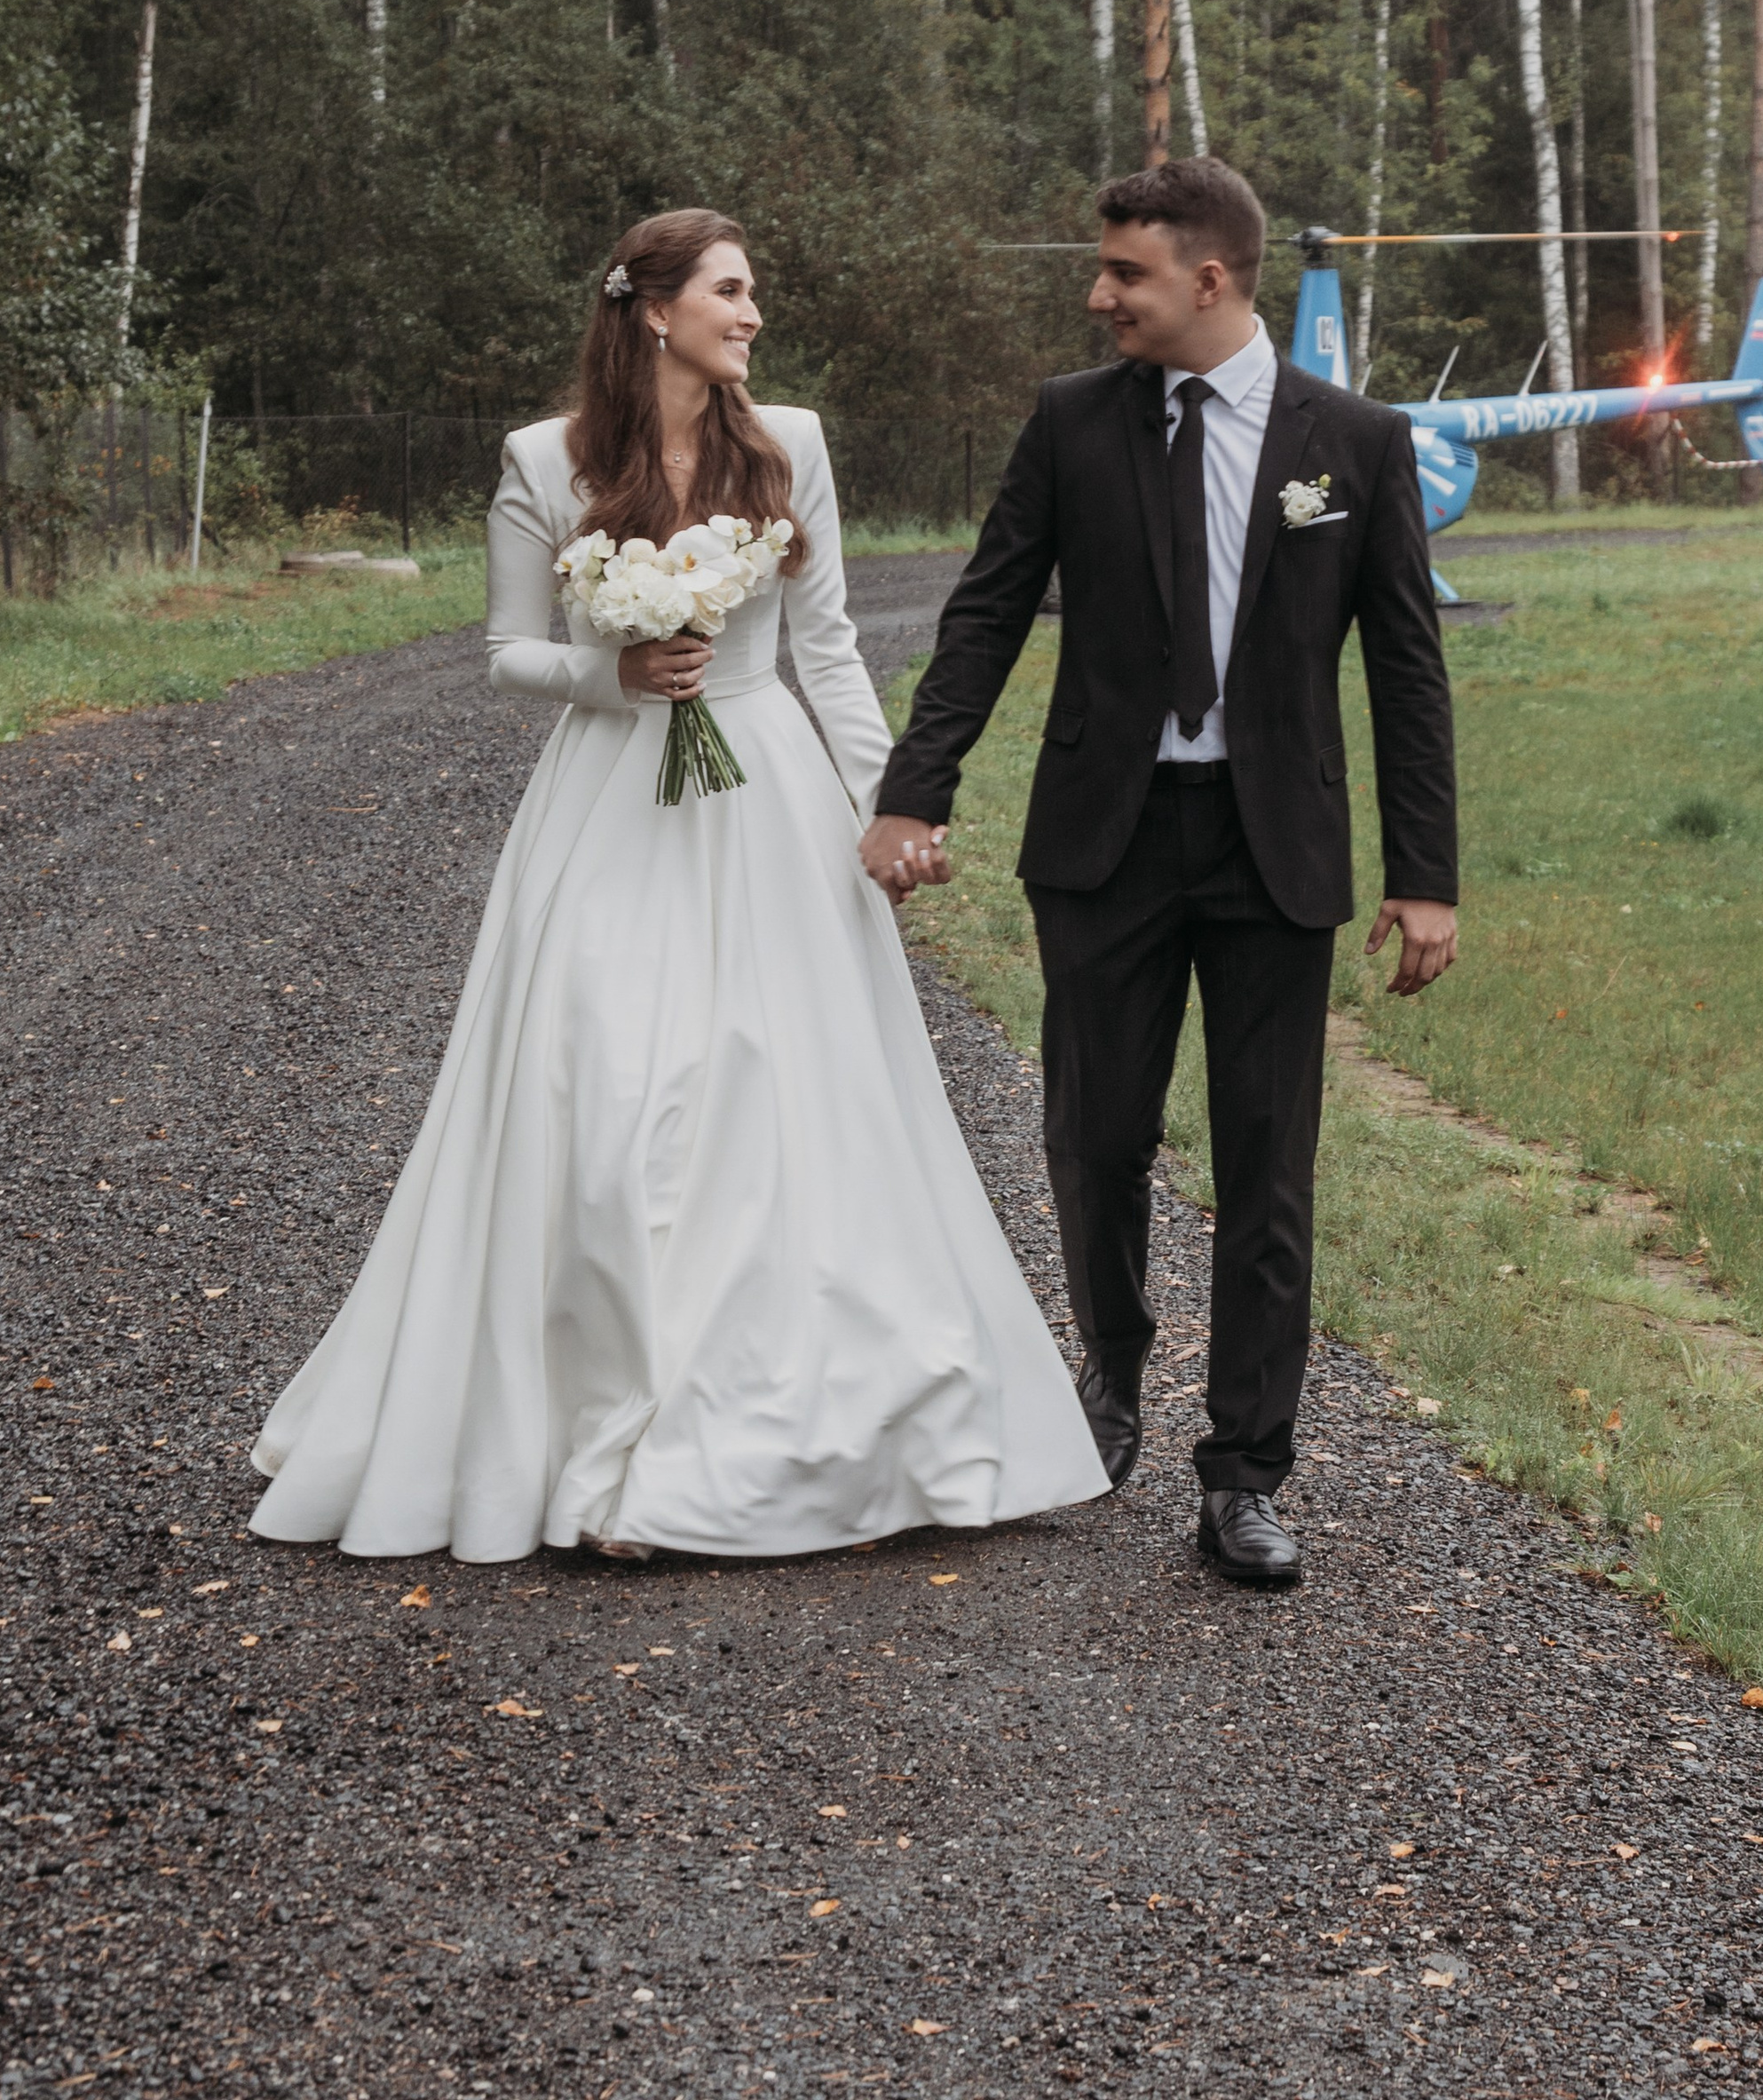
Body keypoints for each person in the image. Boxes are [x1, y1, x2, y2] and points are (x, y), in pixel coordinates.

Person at [249, 209, 1107, 1565]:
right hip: (608, 802)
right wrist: (618, 672)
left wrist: (893, 807)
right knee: (604, 1085)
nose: (753, 313)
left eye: (753, 291)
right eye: (731, 289)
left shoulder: (792, 445)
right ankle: (596, 1433)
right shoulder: (545, 461)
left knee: (783, 1093)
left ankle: (799, 1425)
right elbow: (507, 654)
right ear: (654, 308)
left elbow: (825, 651)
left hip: (763, 790)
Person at [861, 157, 1459, 1592]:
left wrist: (1426, 874)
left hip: (1275, 853)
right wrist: (913, 791)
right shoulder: (1074, 422)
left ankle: (1246, 1476)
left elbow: (1408, 671)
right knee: (1093, 1138)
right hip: (1104, 846)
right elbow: (990, 610)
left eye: (1124, 272)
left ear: (1210, 279)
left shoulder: (1354, 446)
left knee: (1267, 1170)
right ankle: (1108, 1388)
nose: (1098, 294)